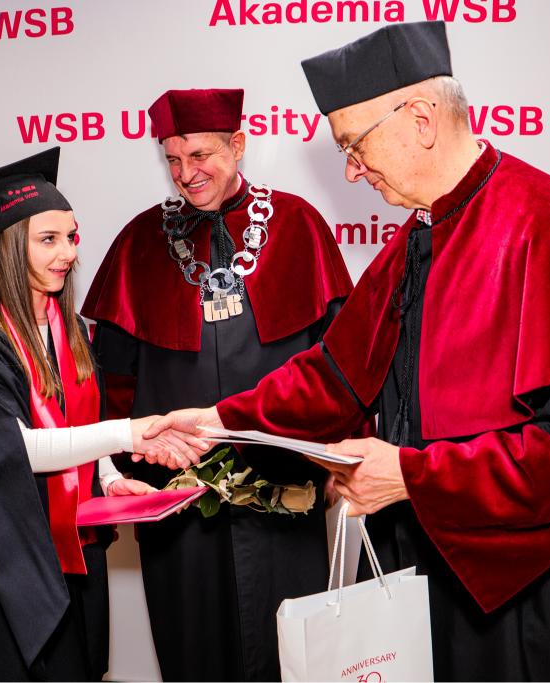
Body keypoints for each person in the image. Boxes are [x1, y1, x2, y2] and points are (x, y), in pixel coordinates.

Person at [146, 23, 550, 681]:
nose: (350, 169)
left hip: (541, 598)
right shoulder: (419, 235)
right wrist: (217, 421)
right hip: (448, 576)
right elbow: (335, 377)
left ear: (422, 119)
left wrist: (410, 475)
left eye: (354, 144)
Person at [81, 88, 356, 681]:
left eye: (199, 155)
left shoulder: (299, 225)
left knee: (289, 647)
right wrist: (114, 468)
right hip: (177, 492)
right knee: (192, 645)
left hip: (284, 481)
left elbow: (341, 361)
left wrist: (342, 455)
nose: (186, 173)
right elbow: (113, 378)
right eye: (173, 159)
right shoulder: (139, 242)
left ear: (238, 144)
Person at [0, 147, 205, 681]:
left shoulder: (65, 325)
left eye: (71, 236)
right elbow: (15, 449)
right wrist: (126, 434)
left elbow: (74, 420)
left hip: (73, 544)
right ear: (7, 246)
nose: (67, 253)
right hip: (9, 554)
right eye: (48, 239)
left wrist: (108, 478)